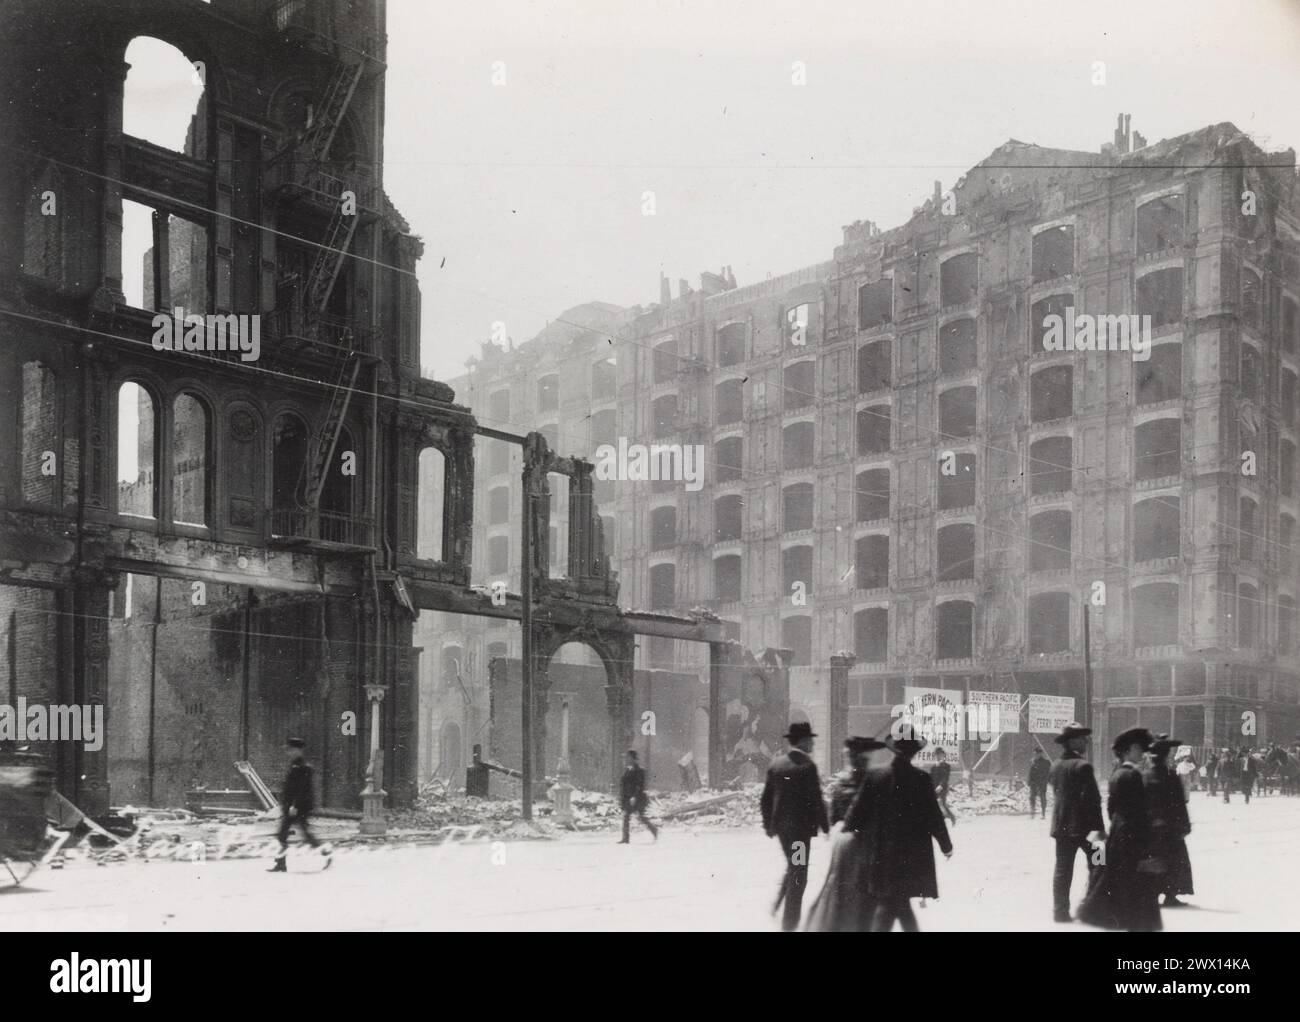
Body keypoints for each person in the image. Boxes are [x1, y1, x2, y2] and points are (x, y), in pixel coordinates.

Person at [844, 722, 953, 932]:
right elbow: (934, 818)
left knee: (894, 902)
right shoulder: (921, 779)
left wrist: (857, 838)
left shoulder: (875, 776)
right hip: (911, 857)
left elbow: (854, 817)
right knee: (895, 904)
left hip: (880, 855)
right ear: (914, 752)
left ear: (893, 749)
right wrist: (946, 846)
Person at [1077, 727, 1162, 932]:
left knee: (1121, 889)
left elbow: (1111, 809)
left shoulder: (1116, 774)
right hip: (1132, 841)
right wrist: (1147, 847)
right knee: (1138, 895)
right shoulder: (1133, 775)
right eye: (1137, 748)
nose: (1142, 752)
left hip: (1118, 837)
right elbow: (1139, 814)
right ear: (1127, 750)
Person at [804, 736, 886, 932]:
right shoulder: (875, 781)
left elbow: (833, 818)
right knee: (867, 897)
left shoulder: (840, 783)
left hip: (843, 847)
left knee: (839, 893)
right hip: (867, 846)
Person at [760, 721, 829, 931]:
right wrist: (825, 826)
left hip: (782, 831)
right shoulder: (808, 766)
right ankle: (789, 925)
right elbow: (816, 800)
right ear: (804, 741)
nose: (813, 745)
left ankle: (776, 905)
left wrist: (768, 826)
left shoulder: (776, 764)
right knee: (799, 875)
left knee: (794, 866)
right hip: (799, 834)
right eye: (810, 741)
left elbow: (765, 799)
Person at [1047, 722, 1104, 923]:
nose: (1086, 741)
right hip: (1087, 828)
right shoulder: (1083, 766)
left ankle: (1060, 912)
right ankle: (1094, 909)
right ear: (1072, 741)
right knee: (1100, 863)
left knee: (1062, 870)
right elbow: (1093, 801)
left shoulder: (1055, 765)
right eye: (1081, 738)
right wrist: (1100, 831)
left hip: (1061, 827)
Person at [1145, 734, 1193, 908]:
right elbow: (1179, 803)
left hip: (1151, 828)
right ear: (1165, 757)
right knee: (1174, 860)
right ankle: (1170, 895)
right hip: (1171, 828)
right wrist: (1184, 825)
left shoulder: (1144, 776)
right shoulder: (1170, 776)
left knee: (1153, 859)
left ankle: (1151, 895)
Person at [269, 737, 332, 873]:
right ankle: (281, 864)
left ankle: (326, 854)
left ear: (298, 750)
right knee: (285, 834)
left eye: (291, 750)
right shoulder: (295, 765)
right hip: (292, 806)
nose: (289, 752)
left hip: (298, 807)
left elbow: (303, 789)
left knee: (298, 834)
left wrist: (294, 805)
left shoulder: (304, 767)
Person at [618, 750, 658, 843]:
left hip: (637, 798)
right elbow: (624, 784)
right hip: (629, 798)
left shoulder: (639, 770)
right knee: (628, 817)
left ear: (633, 758)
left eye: (628, 757)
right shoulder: (628, 769)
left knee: (640, 817)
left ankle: (654, 830)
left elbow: (639, 785)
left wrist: (634, 796)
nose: (627, 759)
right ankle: (625, 838)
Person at [931, 747, 957, 825]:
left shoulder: (946, 766)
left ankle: (952, 817)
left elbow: (945, 777)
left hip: (943, 788)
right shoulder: (934, 767)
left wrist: (941, 786)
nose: (938, 756)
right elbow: (932, 778)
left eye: (939, 754)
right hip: (934, 788)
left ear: (943, 755)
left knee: (942, 803)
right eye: (936, 755)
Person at [1027, 747, 1051, 819]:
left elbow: (1048, 773)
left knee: (1043, 798)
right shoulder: (1033, 761)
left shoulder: (1046, 762)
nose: (1036, 755)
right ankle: (1032, 812)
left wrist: (1047, 780)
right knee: (1032, 797)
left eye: (1037, 753)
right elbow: (1031, 772)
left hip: (1042, 782)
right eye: (1035, 753)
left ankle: (1043, 814)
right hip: (1034, 782)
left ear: (1041, 754)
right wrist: (1029, 781)